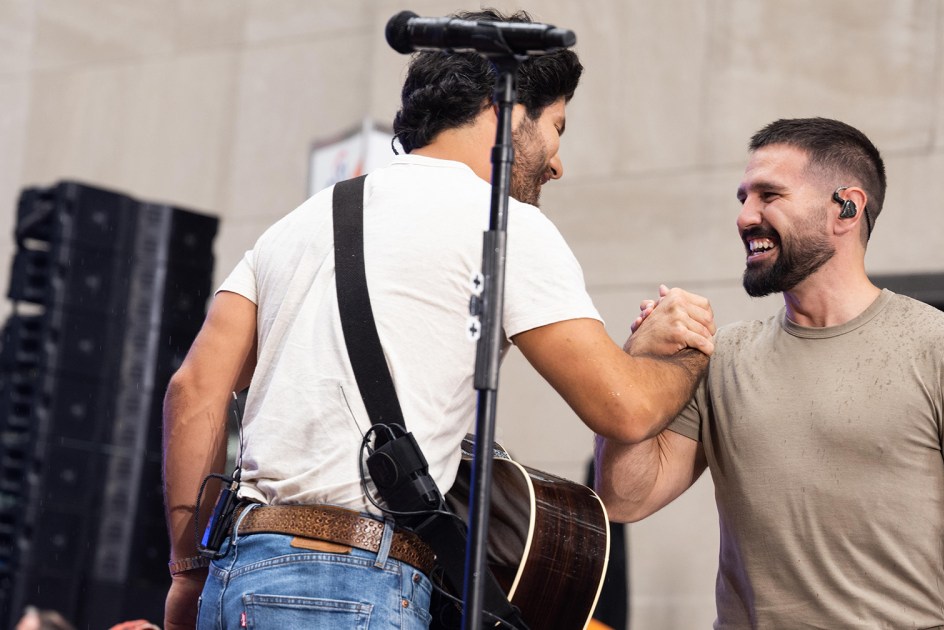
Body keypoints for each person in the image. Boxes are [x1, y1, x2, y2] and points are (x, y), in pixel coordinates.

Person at [162, 9, 713, 630]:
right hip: (354, 584)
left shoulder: (298, 223)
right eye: (557, 128)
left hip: (237, 576)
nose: (558, 163)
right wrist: (686, 352)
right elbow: (627, 409)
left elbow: (194, 389)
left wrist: (187, 575)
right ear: (505, 111)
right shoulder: (505, 225)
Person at [595, 117, 944, 629]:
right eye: (743, 198)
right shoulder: (721, 358)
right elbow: (623, 499)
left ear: (846, 208)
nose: (745, 217)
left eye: (769, 195)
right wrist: (638, 362)